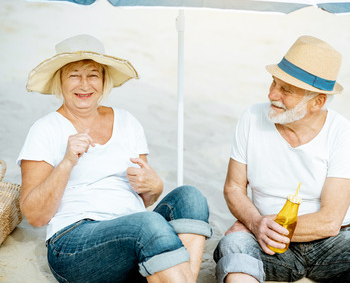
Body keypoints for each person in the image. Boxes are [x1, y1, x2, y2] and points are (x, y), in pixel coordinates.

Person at [17, 34, 212, 283]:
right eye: (74, 75)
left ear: (104, 79)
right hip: (75, 244)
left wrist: (154, 187)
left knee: (190, 197)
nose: (84, 85)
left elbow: (144, 200)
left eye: (93, 75)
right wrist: (66, 163)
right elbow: (34, 216)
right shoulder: (45, 129)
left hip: (131, 233)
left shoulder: (128, 122)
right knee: (148, 225)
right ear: (60, 81)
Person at [213, 36, 350, 283]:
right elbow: (233, 187)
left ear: (318, 101)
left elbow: (329, 221)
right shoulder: (251, 117)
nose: (272, 94)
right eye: (274, 83)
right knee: (234, 244)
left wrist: (264, 227)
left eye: (286, 90)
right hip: (268, 243)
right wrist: (254, 223)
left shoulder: (343, 133)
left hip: (333, 244)